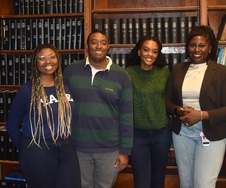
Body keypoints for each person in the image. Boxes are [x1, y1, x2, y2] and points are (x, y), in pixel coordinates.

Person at [165, 25, 226, 188]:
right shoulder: (178, 69)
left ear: (210, 47)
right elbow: (167, 101)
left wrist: (201, 115)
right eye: (192, 45)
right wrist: (178, 110)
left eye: (202, 45)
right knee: (186, 183)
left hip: (211, 133)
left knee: (203, 184)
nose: (196, 49)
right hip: (182, 133)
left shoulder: (222, 72)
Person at [63, 30, 133, 188]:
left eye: (103, 42)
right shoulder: (71, 71)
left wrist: (125, 151)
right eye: (94, 42)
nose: (98, 46)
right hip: (77, 147)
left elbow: (127, 116)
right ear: (87, 46)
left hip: (110, 149)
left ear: (108, 47)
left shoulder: (122, 76)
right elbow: (62, 109)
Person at [6, 44, 81, 188]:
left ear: (58, 60)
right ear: (35, 62)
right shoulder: (27, 91)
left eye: (52, 57)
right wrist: (27, 148)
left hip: (66, 147)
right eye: (42, 58)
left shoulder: (65, 87)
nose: (48, 62)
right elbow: (11, 125)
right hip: (38, 151)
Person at [125, 36, 172, 188]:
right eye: (146, 50)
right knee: (141, 181)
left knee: (158, 180)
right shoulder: (128, 73)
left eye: (155, 51)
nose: (150, 54)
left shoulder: (165, 73)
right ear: (139, 51)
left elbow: (172, 99)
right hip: (137, 135)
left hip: (161, 134)